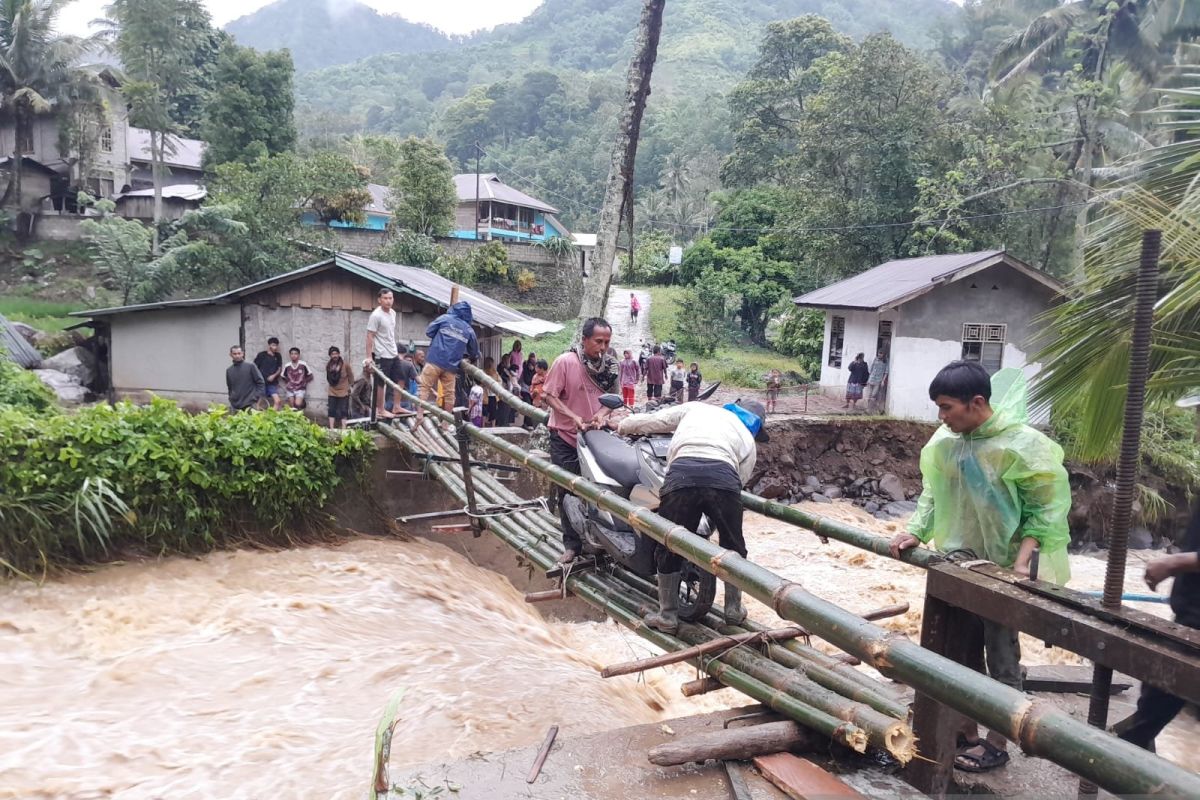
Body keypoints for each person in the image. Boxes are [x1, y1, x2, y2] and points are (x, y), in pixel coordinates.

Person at [890, 362, 1071, 773]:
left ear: (977, 403)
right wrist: (916, 532)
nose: (942, 416)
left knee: (1002, 657)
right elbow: (934, 492)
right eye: (938, 407)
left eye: (947, 407)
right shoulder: (947, 443)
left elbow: (1046, 510)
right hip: (956, 564)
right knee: (959, 652)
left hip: (1003, 569)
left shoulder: (1023, 445)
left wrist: (1023, 563)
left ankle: (997, 741)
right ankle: (965, 732)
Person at [618, 399, 769, 632]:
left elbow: (656, 420)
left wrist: (622, 425)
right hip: (723, 479)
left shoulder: (697, 408)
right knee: (733, 547)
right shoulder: (747, 437)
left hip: (682, 475)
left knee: (670, 543)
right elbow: (740, 480)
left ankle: (667, 616)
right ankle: (733, 610)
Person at [1112, 502, 1200, 751]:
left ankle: (1121, 758)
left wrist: (1174, 563)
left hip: (1194, 626)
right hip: (1188, 619)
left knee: (1153, 708)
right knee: (1155, 697)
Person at [543, 317, 618, 563]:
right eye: (598, 341)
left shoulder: (611, 367)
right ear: (585, 340)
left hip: (596, 439)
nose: (603, 347)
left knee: (600, 489)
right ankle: (572, 545)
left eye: (607, 342)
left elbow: (613, 399)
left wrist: (600, 415)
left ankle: (600, 539)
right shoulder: (566, 362)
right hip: (565, 437)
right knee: (568, 489)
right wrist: (572, 416)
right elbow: (549, 395)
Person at [416, 301, 480, 427]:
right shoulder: (468, 329)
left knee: (424, 388)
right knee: (450, 394)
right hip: (451, 366)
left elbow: (429, 332)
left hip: (434, 360)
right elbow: (474, 353)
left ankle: (419, 415)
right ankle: (446, 423)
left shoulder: (444, 318)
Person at [365, 288, 402, 420]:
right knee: (381, 383)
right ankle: (380, 409)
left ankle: (396, 406)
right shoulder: (376, 316)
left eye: (390, 298)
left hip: (393, 351)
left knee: (399, 378)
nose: (388, 301)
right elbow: (370, 336)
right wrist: (369, 356)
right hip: (381, 353)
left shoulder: (393, 313)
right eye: (385, 298)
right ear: (379, 300)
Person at [226, 345, 264, 413]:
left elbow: (260, 382)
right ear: (230, 355)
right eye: (234, 354)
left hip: (250, 404)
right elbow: (230, 387)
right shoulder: (229, 370)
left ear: (243, 354)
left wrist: (255, 397)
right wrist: (231, 398)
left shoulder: (250, 366)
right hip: (235, 405)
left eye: (239, 353)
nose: (237, 356)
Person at [325, 346, 354, 429]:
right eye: (332, 354)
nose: (335, 355)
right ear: (330, 355)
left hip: (343, 390)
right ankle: (331, 428)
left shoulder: (345, 365)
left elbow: (350, 376)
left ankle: (344, 429)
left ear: (339, 354)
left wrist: (351, 387)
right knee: (331, 410)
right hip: (332, 390)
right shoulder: (328, 366)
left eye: (336, 353)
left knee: (343, 410)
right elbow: (328, 378)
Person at [253, 337, 284, 411]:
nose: (275, 347)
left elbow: (279, 369)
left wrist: (273, 376)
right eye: (273, 345)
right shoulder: (262, 355)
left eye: (276, 345)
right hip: (261, 383)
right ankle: (257, 418)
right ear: (269, 345)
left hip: (272, 383)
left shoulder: (278, 355)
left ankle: (271, 416)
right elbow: (254, 368)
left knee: (277, 401)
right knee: (258, 402)